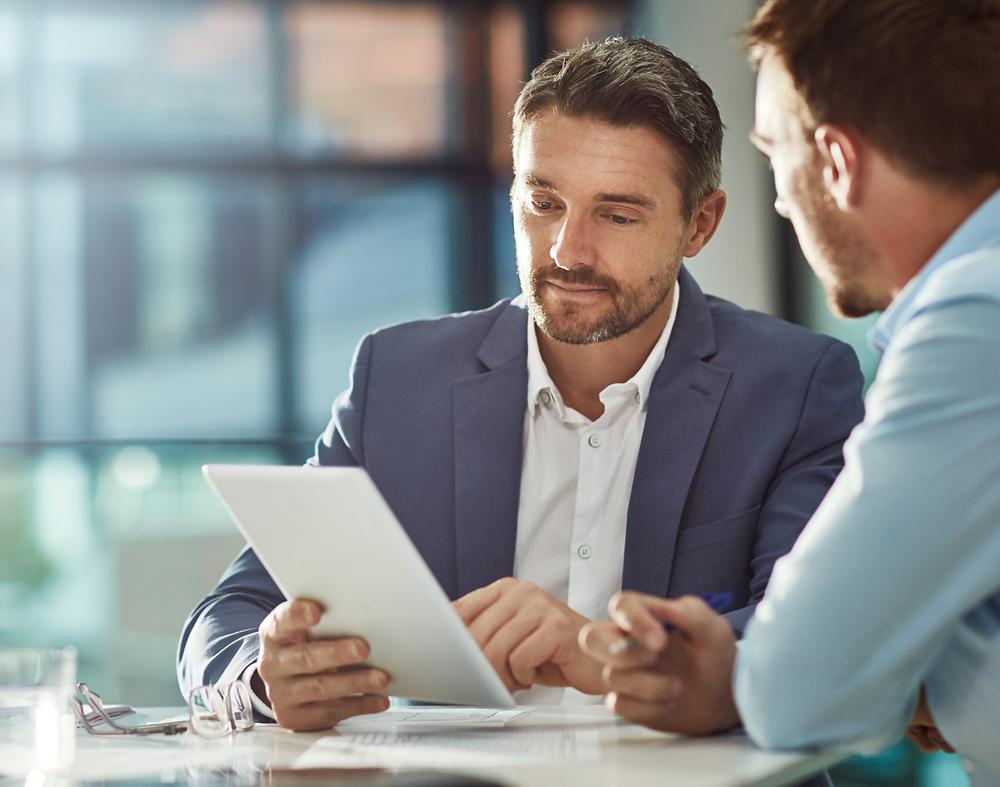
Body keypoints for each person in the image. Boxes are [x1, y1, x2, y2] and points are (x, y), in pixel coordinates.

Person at [177, 37, 863, 732]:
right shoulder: (398, 379)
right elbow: (225, 618)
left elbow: (819, 638)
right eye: (543, 203)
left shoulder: (797, 387)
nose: (568, 251)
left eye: (617, 215)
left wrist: (597, 652)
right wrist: (264, 676)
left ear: (700, 224)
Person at [580, 2, 1000, 783]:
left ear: (837, 162)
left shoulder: (975, 320)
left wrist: (744, 675)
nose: (777, 199)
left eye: (776, 155)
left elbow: (798, 689)